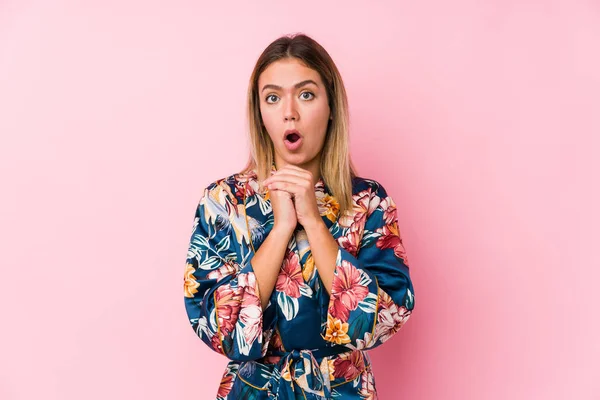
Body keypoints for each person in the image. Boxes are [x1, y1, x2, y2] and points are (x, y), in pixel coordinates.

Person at [183, 33, 415, 399]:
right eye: (272, 98)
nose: (289, 111)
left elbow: (385, 318)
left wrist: (313, 221)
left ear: (331, 106)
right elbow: (217, 327)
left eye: (306, 94)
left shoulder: (368, 202)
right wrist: (281, 229)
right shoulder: (224, 202)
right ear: (259, 113)